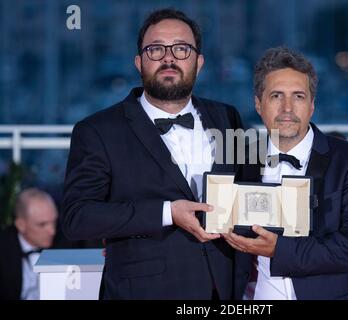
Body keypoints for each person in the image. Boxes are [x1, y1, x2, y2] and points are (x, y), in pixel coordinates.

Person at [61, 8, 243, 299]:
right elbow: (77, 217)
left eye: (181, 49)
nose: (169, 58)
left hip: (223, 290)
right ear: (139, 62)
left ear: (199, 62)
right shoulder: (97, 130)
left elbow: (246, 189)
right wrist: (167, 212)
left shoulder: (227, 116)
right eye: (156, 49)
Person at [223, 47, 348, 300]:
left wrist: (280, 250)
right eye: (276, 96)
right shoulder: (239, 161)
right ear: (258, 104)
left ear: (312, 105)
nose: (287, 108)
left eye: (298, 96)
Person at [0, 188, 58, 300]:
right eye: (42, 224)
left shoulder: (66, 240)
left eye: (54, 221)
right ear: (21, 225)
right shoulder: (3, 247)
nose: (52, 231)